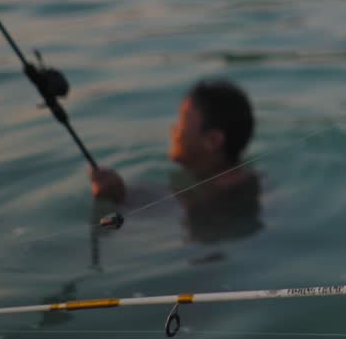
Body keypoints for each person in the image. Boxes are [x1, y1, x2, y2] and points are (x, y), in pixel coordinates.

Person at [90, 79, 261, 243]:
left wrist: (119, 197)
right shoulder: (250, 182)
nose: (173, 129)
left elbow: (160, 212)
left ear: (213, 140)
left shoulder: (207, 209)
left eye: (182, 120)